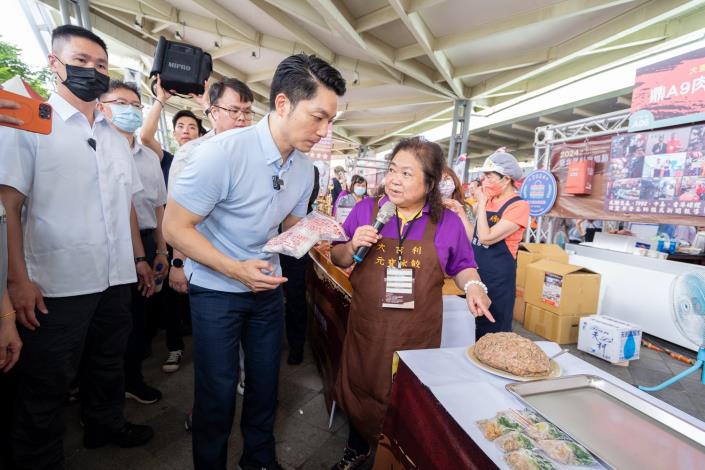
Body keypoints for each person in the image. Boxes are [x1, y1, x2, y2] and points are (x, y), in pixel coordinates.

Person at [163, 53, 346, 470]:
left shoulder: (303, 168)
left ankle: (259, 460)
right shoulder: (220, 154)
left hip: (266, 288)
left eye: (329, 121)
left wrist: (318, 232)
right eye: (317, 117)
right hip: (217, 289)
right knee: (218, 388)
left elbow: (292, 225)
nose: (324, 131)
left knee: (265, 384)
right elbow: (174, 227)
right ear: (282, 104)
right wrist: (233, 268)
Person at [0, 25, 154, 470]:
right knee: (46, 381)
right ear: (55, 63)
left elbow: (124, 201)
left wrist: (138, 259)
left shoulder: (112, 135)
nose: (92, 71)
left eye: (101, 65)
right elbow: (9, 206)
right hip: (56, 283)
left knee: (109, 362)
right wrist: (17, 281)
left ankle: (105, 424)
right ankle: (38, 459)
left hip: (115, 275)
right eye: (81, 61)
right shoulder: (31, 123)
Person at [329, 137, 492, 468]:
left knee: (407, 398)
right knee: (361, 387)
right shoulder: (367, 210)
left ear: (429, 183)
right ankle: (357, 447)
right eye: (391, 170)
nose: (393, 180)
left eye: (406, 173)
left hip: (417, 333)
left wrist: (474, 286)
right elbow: (337, 254)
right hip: (368, 330)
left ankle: (399, 457)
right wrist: (351, 244)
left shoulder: (446, 221)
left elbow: (463, 265)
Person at [168, 78, 255, 379]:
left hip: (251, 269)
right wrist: (178, 262)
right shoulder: (192, 153)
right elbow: (175, 218)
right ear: (213, 111)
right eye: (235, 111)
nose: (243, 119)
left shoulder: (260, 154)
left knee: (250, 348)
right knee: (215, 355)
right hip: (208, 270)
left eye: (248, 112)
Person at [97, 80, 169, 404]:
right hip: (108, 243)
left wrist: (162, 251)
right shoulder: (94, 144)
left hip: (144, 243)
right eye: (120, 102)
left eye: (135, 105)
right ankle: (98, 392)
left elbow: (157, 207)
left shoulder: (149, 158)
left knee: (138, 318)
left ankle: (131, 379)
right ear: (102, 106)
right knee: (107, 324)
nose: (129, 110)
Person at [140, 77, 209, 374]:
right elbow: (144, 136)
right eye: (180, 126)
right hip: (172, 234)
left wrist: (205, 105)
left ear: (200, 132)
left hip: (204, 234)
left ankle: (207, 345)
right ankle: (175, 347)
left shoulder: (209, 156)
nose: (185, 130)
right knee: (171, 292)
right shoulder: (166, 158)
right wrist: (160, 100)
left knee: (202, 292)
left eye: (191, 126)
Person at [470, 151, 530, 339]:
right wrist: (461, 213)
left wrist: (480, 204)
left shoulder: (518, 206)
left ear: (505, 179)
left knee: (493, 331)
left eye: (489, 177)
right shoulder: (489, 200)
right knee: (473, 327)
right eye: (483, 176)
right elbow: (475, 236)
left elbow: (487, 237)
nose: (484, 181)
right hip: (477, 274)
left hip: (498, 280)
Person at [280, 165, 320, 365]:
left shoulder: (309, 169)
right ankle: (271, 341)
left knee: (295, 296)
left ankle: (296, 346)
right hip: (264, 242)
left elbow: (309, 199)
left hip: (294, 242)